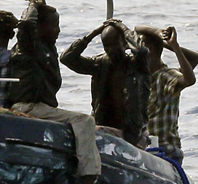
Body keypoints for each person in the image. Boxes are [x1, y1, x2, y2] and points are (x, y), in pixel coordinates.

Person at [8, 0, 112, 184]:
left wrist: (43, 5)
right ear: (40, 27)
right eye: (54, 25)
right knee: (84, 121)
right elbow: (26, 26)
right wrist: (34, 7)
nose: (58, 30)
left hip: (42, 107)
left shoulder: (46, 48)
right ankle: (87, 182)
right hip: (28, 106)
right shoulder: (28, 47)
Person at [60, 18, 151, 146]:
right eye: (106, 45)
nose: (111, 49)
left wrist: (123, 28)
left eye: (114, 44)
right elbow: (66, 58)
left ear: (125, 43)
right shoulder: (99, 64)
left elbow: (140, 50)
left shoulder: (137, 65)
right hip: (105, 127)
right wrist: (94, 33)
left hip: (132, 132)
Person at [135, 25, 198, 163]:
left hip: (165, 149)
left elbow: (189, 79)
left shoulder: (167, 76)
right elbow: (137, 27)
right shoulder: (142, 77)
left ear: (150, 50)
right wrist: (158, 34)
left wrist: (174, 46)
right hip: (144, 146)